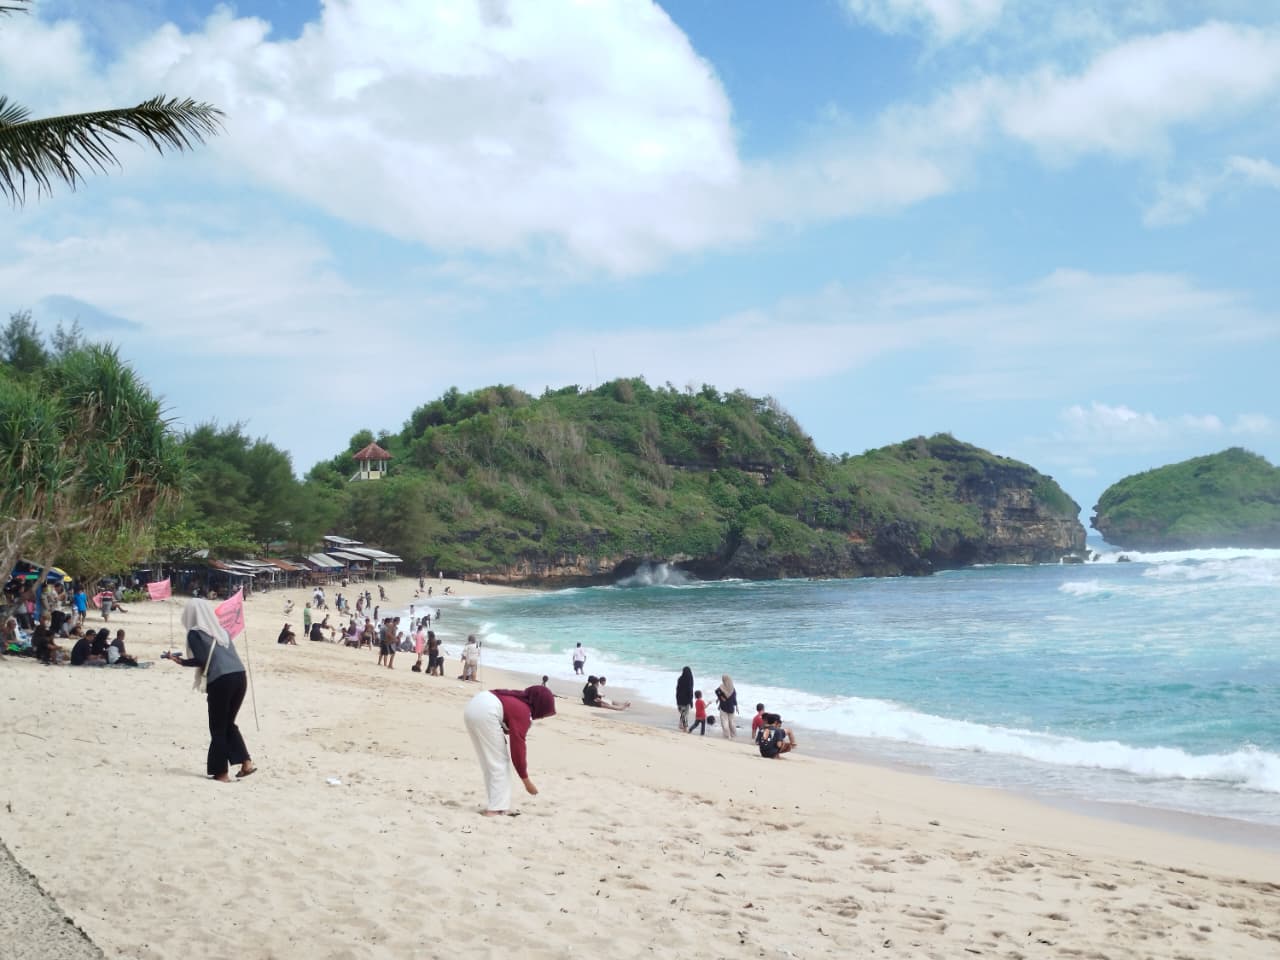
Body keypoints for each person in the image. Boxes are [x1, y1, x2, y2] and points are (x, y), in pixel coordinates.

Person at [167, 598, 256, 783]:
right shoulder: (221, 631)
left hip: (222, 680)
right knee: (228, 723)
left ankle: (221, 773)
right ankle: (246, 762)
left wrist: (180, 661)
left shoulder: (195, 633)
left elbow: (201, 659)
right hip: (240, 676)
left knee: (218, 727)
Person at [462, 685, 556, 816]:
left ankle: (497, 806)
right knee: (500, 763)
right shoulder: (524, 711)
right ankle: (495, 809)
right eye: (544, 713)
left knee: (489, 763)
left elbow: (507, 721)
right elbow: (518, 748)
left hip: (473, 706)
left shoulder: (516, 697)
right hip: (487, 712)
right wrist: (526, 781)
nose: (542, 717)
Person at [676, 666, 694, 732]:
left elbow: (677, 690)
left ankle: (681, 725)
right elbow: (690, 690)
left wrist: (677, 699)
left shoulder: (680, 679)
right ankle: (685, 727)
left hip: (680, 698)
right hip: (686, 699)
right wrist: (691, 701)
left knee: (683, 713)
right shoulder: (690, 679)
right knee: (685, 714)